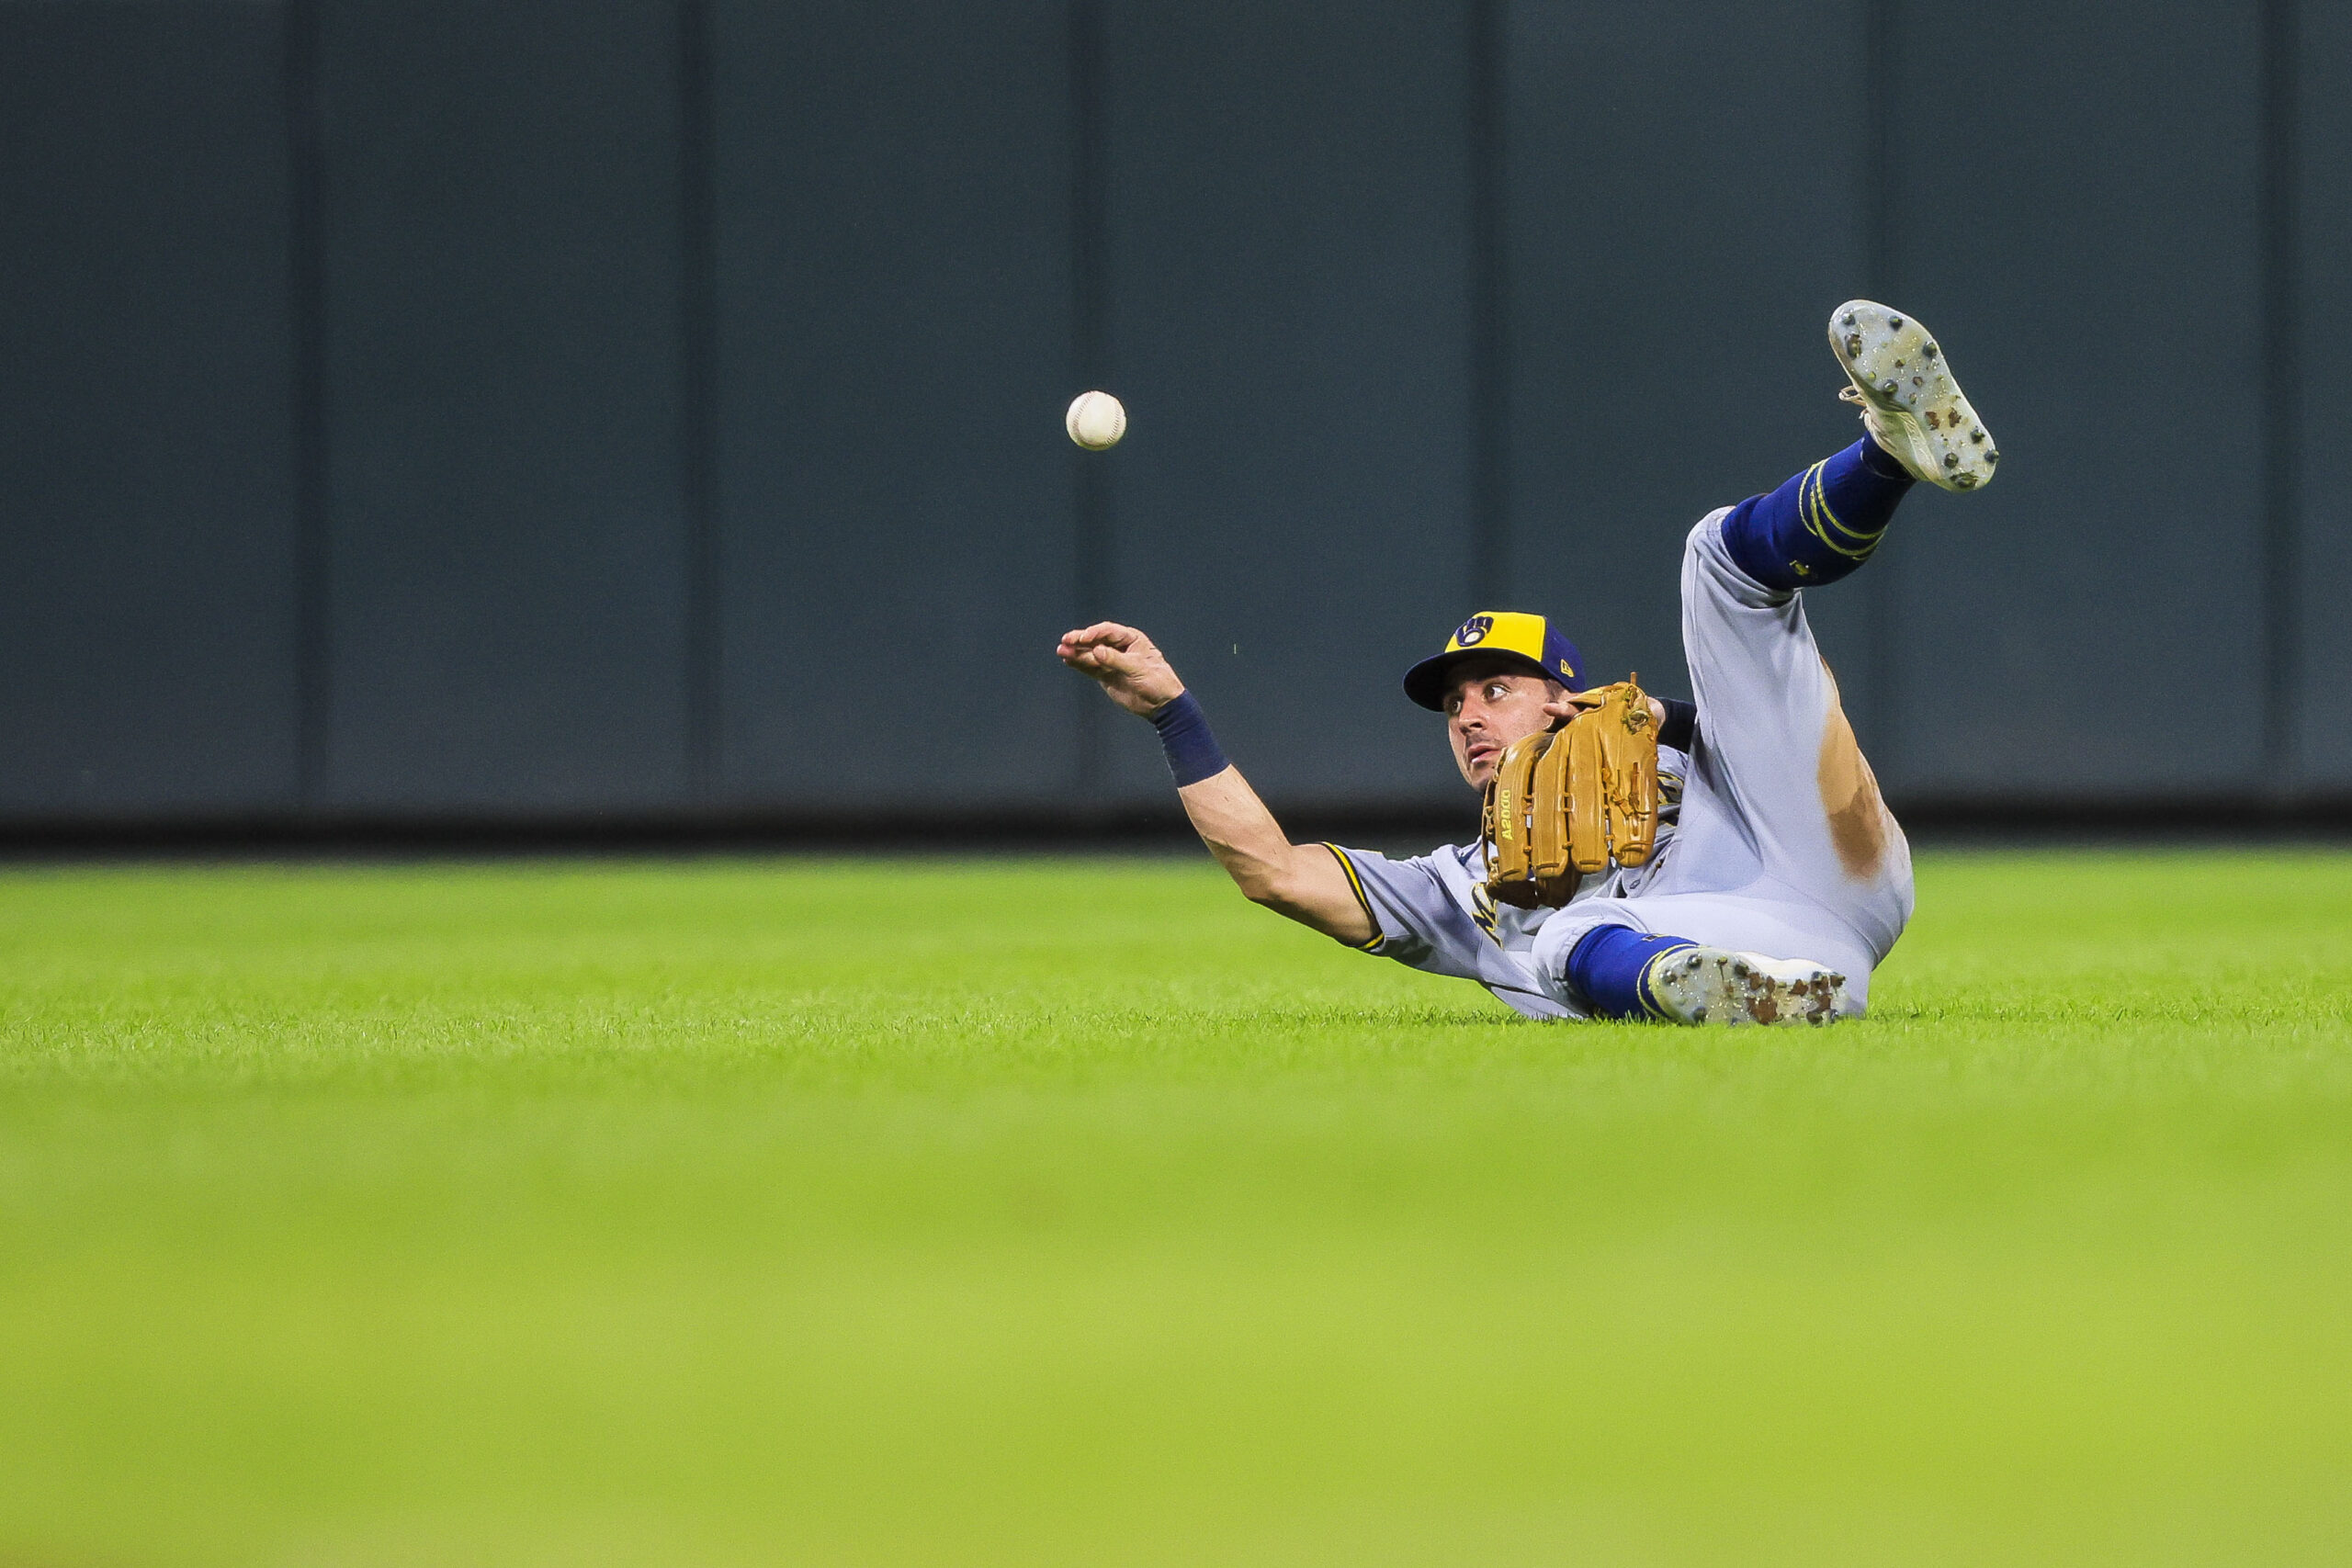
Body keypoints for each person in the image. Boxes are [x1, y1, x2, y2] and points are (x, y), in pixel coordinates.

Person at [1057, 301, 1996, 1025]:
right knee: (1570, 935)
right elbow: (1276, 872)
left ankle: (1885, 453)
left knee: (1714, 557)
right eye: (1453, 701)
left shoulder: (1672, 745)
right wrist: (1173, 715)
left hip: (1828, 860)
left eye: (1495, 689)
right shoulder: (1459, 887)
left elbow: (1771, 730)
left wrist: (1666, 718)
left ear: (1562, 699)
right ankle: (1772, 998)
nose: (1465, 713)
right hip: (1754, 946)